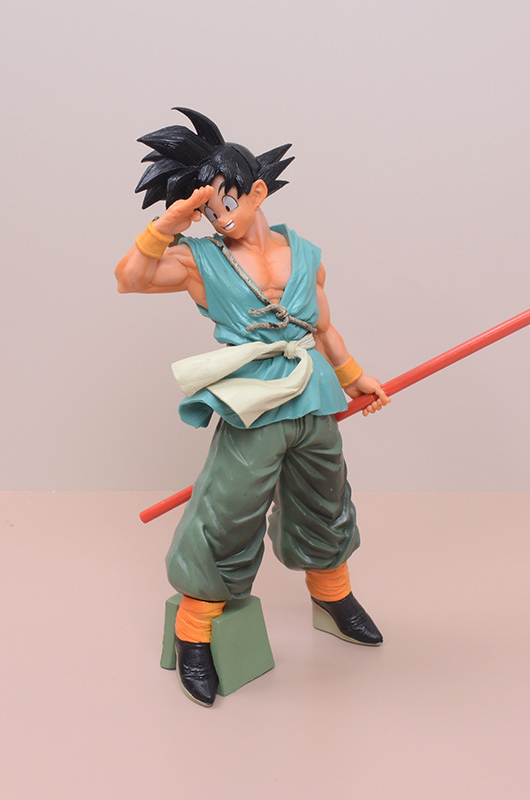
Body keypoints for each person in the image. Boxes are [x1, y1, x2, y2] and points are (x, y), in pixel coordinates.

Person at [115, 108, 390, 706]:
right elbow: (130, 278)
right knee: (228, 509)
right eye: (208, 211)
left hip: (313, 395)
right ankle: (195, 628)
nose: (219, 218)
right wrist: (171, 222)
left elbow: (323, 327)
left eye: (225, 204)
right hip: (254, 403)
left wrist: (353, 378)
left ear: (257, 192)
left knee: (325, 497)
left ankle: (334, 595)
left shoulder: (305, 254)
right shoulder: (198, 258)